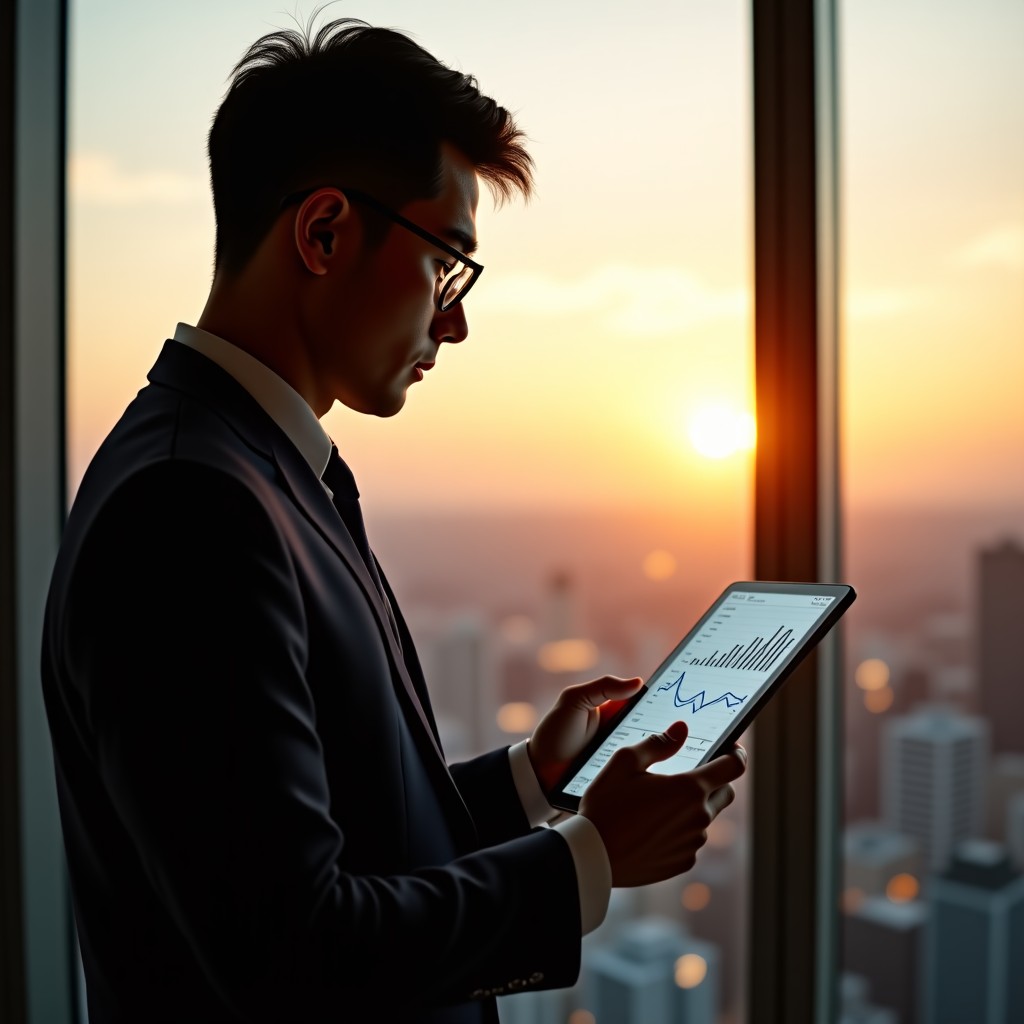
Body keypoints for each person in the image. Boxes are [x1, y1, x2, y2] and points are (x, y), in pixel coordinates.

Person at [40, 16, 746, 1024]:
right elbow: (293, 949)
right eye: (445, 261)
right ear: (323, 232)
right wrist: (585, 858)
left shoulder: (259, 472)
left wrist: (530, 781)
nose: (454, 319)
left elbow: (328, 835)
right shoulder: (188, 510)